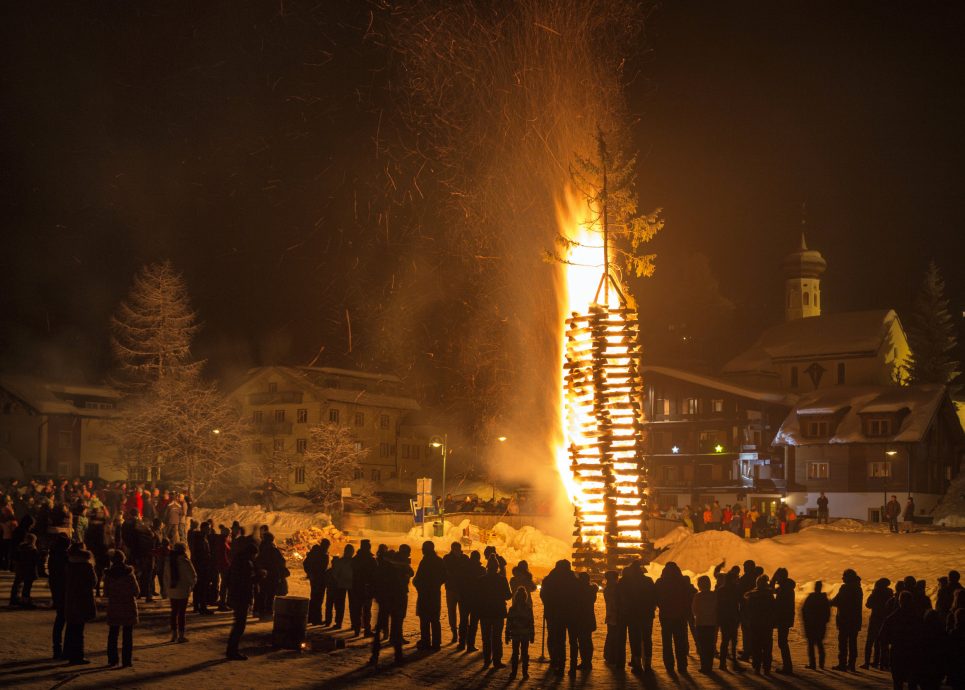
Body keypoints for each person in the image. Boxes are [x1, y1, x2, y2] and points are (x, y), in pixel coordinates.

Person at [369, 545, 413, 666]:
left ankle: (375, 656)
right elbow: (409, 573)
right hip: (396, 600)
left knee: (379, 629)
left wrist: (378, 597)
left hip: (385, 601)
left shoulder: (382, 568)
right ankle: (398, 656)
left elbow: (375, 583)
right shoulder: (399, 567)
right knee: (397, 627)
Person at [540, 559, 579, 675]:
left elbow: (543, 595)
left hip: (555, 614)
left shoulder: (549, 580)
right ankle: (572, 666)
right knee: (572, 641)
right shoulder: (574, 580)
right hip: (571, 614)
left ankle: (559, 664)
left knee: (558, 640)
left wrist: (548, 606)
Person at [618, 560, 657, 673]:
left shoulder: (625, 582)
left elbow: (620, 597)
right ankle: (648, 664)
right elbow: (654, 596)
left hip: (632, 614)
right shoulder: (648, 581)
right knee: (647, 638)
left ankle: (637, 664)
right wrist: (651, 608)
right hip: (647, 615)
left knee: (635, 639)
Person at [656, 561, 694, 675]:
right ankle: (682, 665)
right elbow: (691, 595)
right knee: (680, 641)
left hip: (666, 616)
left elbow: (656, 597)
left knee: (666, 641)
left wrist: (662, 606)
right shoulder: (683, 582)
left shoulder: (660, 582)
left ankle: (669, 665)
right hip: (681, 616)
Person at [879, 591, 922, 690]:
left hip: (897, 651)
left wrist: (885, 651)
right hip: (913, 652)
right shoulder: (917, 618)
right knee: (912, 682)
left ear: (899, 601)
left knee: (898, 681)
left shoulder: (892, 618)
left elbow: (882, 637)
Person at [104, 550, 139, 668]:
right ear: (124, 559)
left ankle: (112, 659)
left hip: (114, 606)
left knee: (113, 634)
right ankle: (126, 660)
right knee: (127, 635)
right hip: (128, 606)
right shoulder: (129, 574)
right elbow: (136, 591)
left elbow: (106, 592)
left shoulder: (108, 575)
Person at [63, 542, 97, 665]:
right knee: (79, 630)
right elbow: (93, 582)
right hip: (83, 599)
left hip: (71, 599)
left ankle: (68, 653)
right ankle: (77, 656)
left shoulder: (68, 564)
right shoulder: (86, 565)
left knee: (72, 628)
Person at [226, 537, 258, 660]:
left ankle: (232, 650)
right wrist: (259, 576)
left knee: (238, 624)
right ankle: (232, 651)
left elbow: (229, 579)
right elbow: (247, 581)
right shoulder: (246, 563)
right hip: (242, 597)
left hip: (235, 595)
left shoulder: (237, 561)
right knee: (239, 625)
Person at [478, 556, 512, 669]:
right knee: (497, 637)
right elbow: (508, 595)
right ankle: (497, 660)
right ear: (497, 567)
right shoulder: (502, 579)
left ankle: (487, 660)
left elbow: (477, 596)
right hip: (498, 612)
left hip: (485, 612)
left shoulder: (482, 580)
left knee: (486, 637)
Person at [413, 540, 445, 650]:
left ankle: (426, 641)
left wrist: (417, 584)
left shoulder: (425, 561)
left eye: (423, 548)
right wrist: (436, 584)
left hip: (425, 594)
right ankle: (436, 643)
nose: (422, 550)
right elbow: (444, 577)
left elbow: (418, 578)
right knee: (435, 619)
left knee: (425, 620)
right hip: (435, 594)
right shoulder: (439, 561)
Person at [163, 542, 197, 643]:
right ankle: (181, 636)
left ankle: (174, 635)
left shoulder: (168, 561)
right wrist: (192, 586)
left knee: (174, 612)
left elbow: (165, 577)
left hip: (172, 590)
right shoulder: (185, 561)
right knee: (181, 613)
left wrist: (166, 589)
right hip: (182, 590)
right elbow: (192, 576)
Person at [830, 568, 863, 671]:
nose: (842, 578)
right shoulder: (859, 588)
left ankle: (842, 664)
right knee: (853, 643)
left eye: (844, 576)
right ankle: (851, 665)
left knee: (843, 643)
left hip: (845, 620)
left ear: (848, 577)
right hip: (855, 620)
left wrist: (827, 602)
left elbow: (837, 601)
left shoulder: (845, 588)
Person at [743, 574, 775, 675]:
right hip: (767, 624)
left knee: (756, 645)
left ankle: (756, 666)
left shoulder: (751, 596)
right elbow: (773, 610)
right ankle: (767, 668)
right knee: (767, 646)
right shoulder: (769, 595)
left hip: (754, 623)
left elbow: (748, 610)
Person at [254, 531, 287, 620]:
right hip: (273, 575)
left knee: (262, 593)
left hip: (264, 575)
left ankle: (260, 612)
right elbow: (282, 561)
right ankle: (268, 613)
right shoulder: (273, 549)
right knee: (270, 595)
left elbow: (257, 560)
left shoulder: (261, 548)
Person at [862, 577, 893, 669]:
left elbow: (868, 604)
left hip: (875, 618)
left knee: (870, 641)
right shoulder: (890, 592)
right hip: (884, 619)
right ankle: (881, 663)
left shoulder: (876, 592)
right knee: (881, 642)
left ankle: (867, 663)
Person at [505, 586, 535, 680]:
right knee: (524, 653)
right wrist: (532, 635)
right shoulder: (528, 609)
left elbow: (508, 623)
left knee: (515, 653)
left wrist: (507, 635)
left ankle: (514, 672)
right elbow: (531, 623)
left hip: (515, 634)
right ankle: (524, 673)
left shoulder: (512, 609)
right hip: (525, 634)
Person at [48, 533, 70, 659]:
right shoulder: (64, 557)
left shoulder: (53, 555)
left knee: (60, 618)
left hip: (56, 589)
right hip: (64, 590)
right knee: (65, 618)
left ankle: (57, 648)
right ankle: (63, 649)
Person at [442, 542, 468, 646]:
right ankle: (455, 633)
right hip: (452, 589)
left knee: (462, 614)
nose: (457, 550)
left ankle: (461, 635)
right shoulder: (448, 558)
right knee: (452, 612)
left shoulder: (463, 558)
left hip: (459, 590)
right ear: (452, 549)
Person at [571, 571, 596, 674]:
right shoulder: (591, 590)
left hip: (579, 618)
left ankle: (584, 661)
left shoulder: (578, 590)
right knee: (587, 641)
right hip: (588, 618)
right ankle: (587, 661)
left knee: (581, 641)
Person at [692, 575, 718, 674]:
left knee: (702, 646)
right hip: (712, 623)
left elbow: (694, 610)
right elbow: (717, 608)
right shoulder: (714, 595)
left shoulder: (697, 596)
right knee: (711, 645)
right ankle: (710, 666)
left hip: (700, 623)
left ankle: (704, 666)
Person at [716, 567, 741, 671]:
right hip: (733, 617)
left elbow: (718, 605)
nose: (737, 580)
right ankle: (734, 662)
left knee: (724, 641)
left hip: (723, 618)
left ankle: (722, 663)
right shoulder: (736, 589)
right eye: (736, 578)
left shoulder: (720, 590)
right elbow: (740, 602)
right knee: (733, 641)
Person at [350, 539, 376, 636]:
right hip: (366, 587)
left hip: (357, 587)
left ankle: (357, 629)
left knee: (358, 609)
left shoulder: (356, 558)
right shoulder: (370, 559)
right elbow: (375, 574)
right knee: (366, 610)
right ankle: (366, 630)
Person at [802, 580, 831, 670]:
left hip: (811, 624)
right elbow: (827, 612)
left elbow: (804, 610)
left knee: (811, 645)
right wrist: (825, 621)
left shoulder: (811, 597)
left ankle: (813, 664)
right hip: (820, 624)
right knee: (819, 643)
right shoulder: (824, 598)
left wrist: (806, 621)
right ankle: (821, 664)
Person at [772, 567, 796, 674]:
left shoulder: (784, 588)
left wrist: (773, 579)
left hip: (783, 619)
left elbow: (770, 589)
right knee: (783, 642)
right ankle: (787, 667)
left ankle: (787, 667)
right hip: (785, 618)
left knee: (782, 643)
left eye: (778, 575)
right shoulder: (787, 587)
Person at [461, 550, 486, 652]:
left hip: (465, 599)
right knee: (473, 624)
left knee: (463, 621)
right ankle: (470, 644)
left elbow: (460, 583)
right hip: (476, 600)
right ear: (479, 559)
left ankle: (461, 643)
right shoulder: (482, 570)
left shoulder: (465, 569)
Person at [303, 539, 330, 626]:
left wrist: (309, 573)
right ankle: (316, 619)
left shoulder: (314, 553)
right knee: (318, 599)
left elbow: (305, 563)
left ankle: (310, 617)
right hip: (319, 580)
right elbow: (322, 569)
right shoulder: (323, 555)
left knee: (314, 598)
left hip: (314, 578)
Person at [10, 532, 40, 607]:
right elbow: (36, 561)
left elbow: (15, 558)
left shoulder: (20, 548)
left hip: (20, 569)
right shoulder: (33, 550)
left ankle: (14, 598)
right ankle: (25, 600)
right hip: (30, 570)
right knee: (27, 586)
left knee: (17, 584)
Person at [329, 545, 354, 628]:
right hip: (351, 585)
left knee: (340, 605)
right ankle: (354, 624)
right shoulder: (354, 562)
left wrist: (339, 580)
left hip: (341, 585)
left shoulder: (341, 561)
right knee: (352, 606)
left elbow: (335, 573)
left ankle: (339, 623)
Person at [602, 570, 621, 667]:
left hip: (609, 615)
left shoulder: (607, 588)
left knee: (610, 635)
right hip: (615, 615)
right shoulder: (614, 588)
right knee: (614, 636)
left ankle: (608, 655)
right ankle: (612, 656)